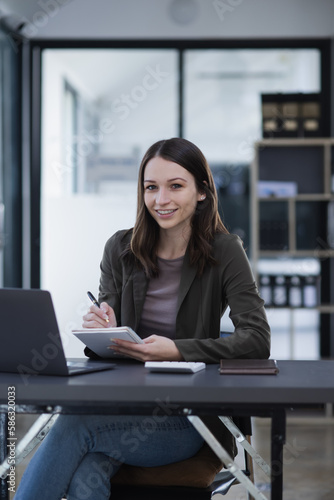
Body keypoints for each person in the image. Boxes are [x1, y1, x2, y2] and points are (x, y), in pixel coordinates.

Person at [15, 137, 270, 500]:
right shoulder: (120, 249)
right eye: (151, 187)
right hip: (120, 405)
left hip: (185, 419)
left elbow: (257, 339)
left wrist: (177, 351)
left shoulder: (225, 250)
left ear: (201, 192)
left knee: (73, 424)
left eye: (175, 186)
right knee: (86, 473)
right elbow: (111, 347)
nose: (160, 200)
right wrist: (101, 331)